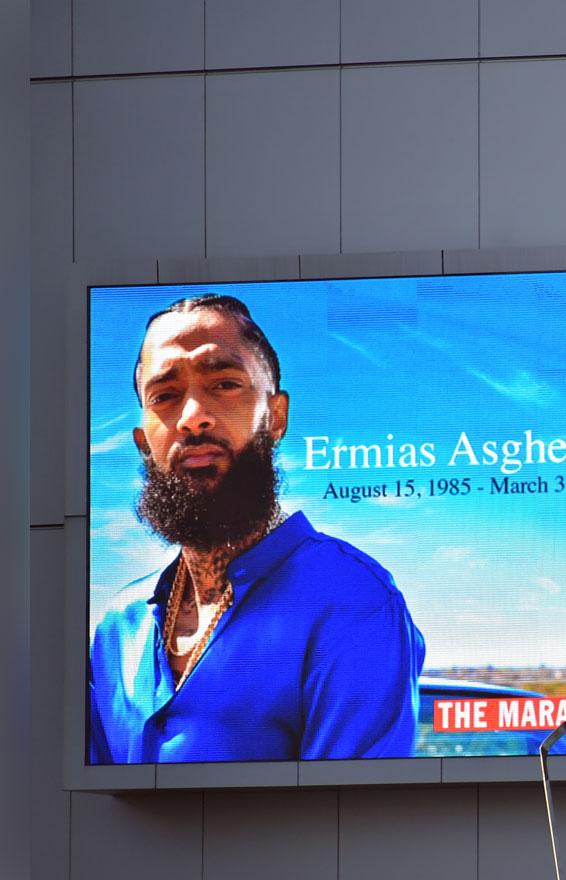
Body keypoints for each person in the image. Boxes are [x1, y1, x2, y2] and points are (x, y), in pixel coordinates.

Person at [88, 294, 425, 764]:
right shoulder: (117, 625)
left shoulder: (353, 601)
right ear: (145, 442)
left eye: (223, 383)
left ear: (276, 418)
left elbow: (353, 821)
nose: (192, 417)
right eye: (165, 395)